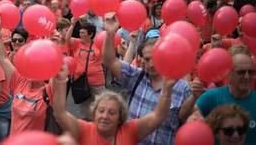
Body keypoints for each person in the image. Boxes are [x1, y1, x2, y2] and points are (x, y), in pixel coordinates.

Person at [102, 14, 194, 145]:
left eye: (155, 58)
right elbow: (109, 60)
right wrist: (110, 33)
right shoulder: (135, 76)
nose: (150, 64)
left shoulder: (182, 88)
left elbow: (188, 125)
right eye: (146, 59)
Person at [52, 63, 176, 145]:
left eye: (111, 113)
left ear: (120, 118)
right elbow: (60, 113)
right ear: (94, 114)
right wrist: (61, 81)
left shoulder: (130, 130)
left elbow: (158, 116)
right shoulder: (84, 129)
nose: (105, 116)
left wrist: (167, 90)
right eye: (101, 111)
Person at [0, 14, 53, 134]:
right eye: (14, 40)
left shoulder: (49, 92)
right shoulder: (19, 80)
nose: (16, 43)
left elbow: (59, 73)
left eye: (36, 66)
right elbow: (1, 57)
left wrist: (55, 46)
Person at [195, 45, 256, 145]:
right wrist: (192, 97)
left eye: (251, 72)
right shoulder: (210, 98)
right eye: (241, 72)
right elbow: (186, 120)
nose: (247, 76)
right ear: (228, 72)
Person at [66, 19, 105, 118]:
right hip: (80, 81)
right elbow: (67, 39)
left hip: (97, 82)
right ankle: (89, 124)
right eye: (79, 32)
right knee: (85, 106)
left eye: (82, 33)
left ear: (90, 34)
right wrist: (72, 24)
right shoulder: (77, 43)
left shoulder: (98, 44)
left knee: (101, 103)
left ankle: (100, 121)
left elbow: (105, 59)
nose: (80, 34)